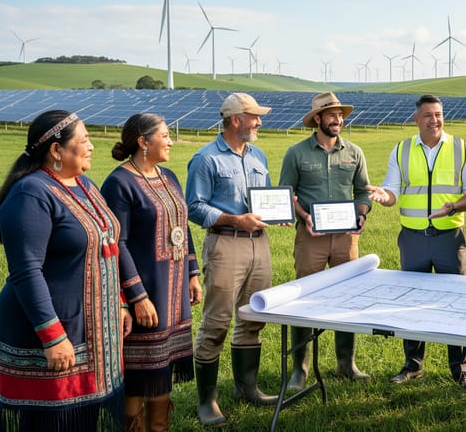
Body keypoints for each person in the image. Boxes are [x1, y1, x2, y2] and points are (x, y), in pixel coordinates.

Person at [0, 110, 130, 432]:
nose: (92, 146)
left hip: (92, 330)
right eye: (84, 140)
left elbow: (106, 246)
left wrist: (120, 301)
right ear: (56, 150)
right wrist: (52, 336)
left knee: (84, 418)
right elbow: (26, 271)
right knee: (53, 420)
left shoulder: (85, 185)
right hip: (54, 329)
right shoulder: (30, 193)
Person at [366, 94, 466, 391]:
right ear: (416, 119)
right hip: (413, 238)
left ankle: (460, 369)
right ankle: (413, 365)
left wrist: (453, 207)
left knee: (455, 303)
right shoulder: (402, 149)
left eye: (439, 114)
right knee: (411, 302)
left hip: (449, 238)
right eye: (428, 115)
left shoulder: (461, 148)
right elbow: (392, 190)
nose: (435, 120)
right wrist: (384, 196)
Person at [101, 113, 203, 431]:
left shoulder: (169, 176)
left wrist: (193, 273)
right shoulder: (119, 183)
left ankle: (159, 427)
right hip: (145, 292)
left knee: (163, 369)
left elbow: (182, 227)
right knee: (139, 374)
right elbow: (117, 243)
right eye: (165, 135)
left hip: (174, 293)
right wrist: (137, 297)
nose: (171, 141)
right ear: (143, 142)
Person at [185, 93, 279, 427]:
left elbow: (266, 198)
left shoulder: (258, 155)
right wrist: (235, 220)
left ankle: (246, 389)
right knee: (216, 323)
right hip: (225, 244)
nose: (260, 122)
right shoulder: (205, 159)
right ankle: (207, 401)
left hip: (259, 245)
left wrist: (278, 211)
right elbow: (194, 207)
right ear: (236, 119)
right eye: (255, 117)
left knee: (253, 316)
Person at [279, 92, 373, 390]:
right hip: (311, 238)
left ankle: (347, 364)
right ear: (317, 119)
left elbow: (363, 191)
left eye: (340, 115)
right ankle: (300, 370)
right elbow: (286, 193)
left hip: (346, 238)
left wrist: (361, 214)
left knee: (348, 297)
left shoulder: (355, 152)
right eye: (332, 114)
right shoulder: (296, 153)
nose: (338, 120)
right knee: (303, 299)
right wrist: (305, 216)